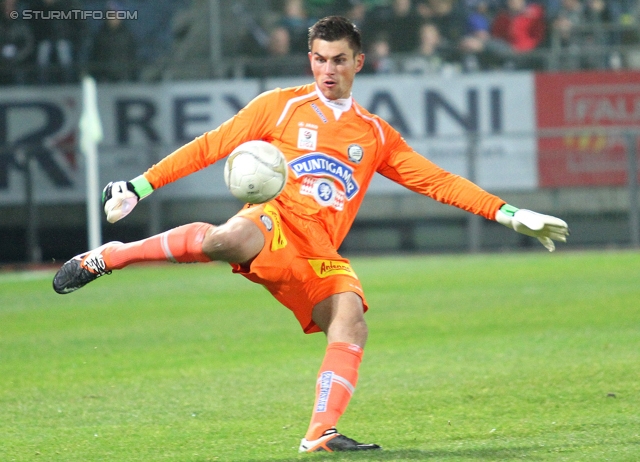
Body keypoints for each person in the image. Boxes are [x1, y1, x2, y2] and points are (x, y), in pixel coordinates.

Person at [52, 16, 569, 453]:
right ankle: (113, 255)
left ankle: (321, 434)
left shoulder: (374, 134)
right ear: (310, 60)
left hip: (319, 251)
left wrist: (507, 213)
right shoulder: (279, 106)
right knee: (230, 238)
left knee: (351, 320)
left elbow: (435, 180)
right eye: (320, 59)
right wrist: (140, 187)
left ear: (358, 63)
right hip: (274, 221)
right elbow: (211, 145)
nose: (328, 70)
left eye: (339, 60)